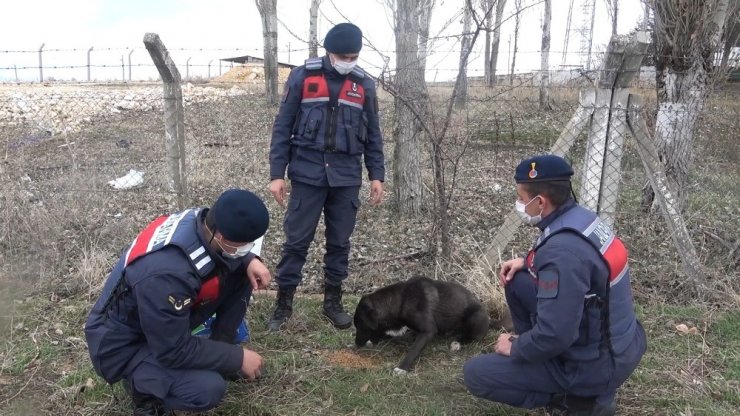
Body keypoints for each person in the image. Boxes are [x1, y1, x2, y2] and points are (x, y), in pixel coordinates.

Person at [463, 155, 647, 416]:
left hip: (598, 365)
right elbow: (581, 264)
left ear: (540, 202)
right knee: (518, 282)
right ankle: (547, 364)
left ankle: (576, 399)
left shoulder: (561, 253)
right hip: (621, 340)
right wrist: (526, 262)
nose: (518, 204)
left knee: (476, 374)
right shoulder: (582, 219)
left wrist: (515, 346)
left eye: (520, 197)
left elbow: (556, 334)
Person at [85, 189, 272, 415]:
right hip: (123, 345)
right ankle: (144, 391)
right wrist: (236, 358)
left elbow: (226, 257)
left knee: (244, 270)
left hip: (155, 321)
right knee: (207, 388)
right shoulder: (167, 273)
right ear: (221, 237)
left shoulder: (203, 223)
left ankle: (221, 343)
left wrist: (249, 260)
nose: (248, 248)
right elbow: (173, 350)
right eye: (245, 244)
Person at [267, 22, 385, 331]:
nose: (349, 60)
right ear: (329, 53)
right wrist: (277, 174)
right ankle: (283, 305)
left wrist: (377, 175)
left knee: (339, 243)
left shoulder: (364, 85)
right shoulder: (303, 76)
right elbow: (283, 126)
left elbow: (373, 134)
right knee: (296, 242)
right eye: (343, 55)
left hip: (346, 177)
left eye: (354, 55)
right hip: (307, 174)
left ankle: (332, 303)